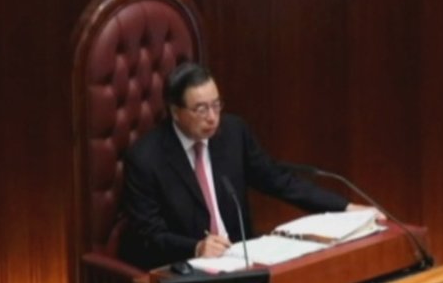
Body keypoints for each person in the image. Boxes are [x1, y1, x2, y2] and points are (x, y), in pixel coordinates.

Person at [119, 61, 377, 269]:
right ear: (175, 112)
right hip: (187, 270)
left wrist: (344, 207)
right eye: (201, 109)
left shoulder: (233, 133)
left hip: (242, 261)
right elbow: (148, 235)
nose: (212, 117)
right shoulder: (146, 158)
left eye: (216, 105)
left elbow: (279, 181)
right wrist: (196, 247)